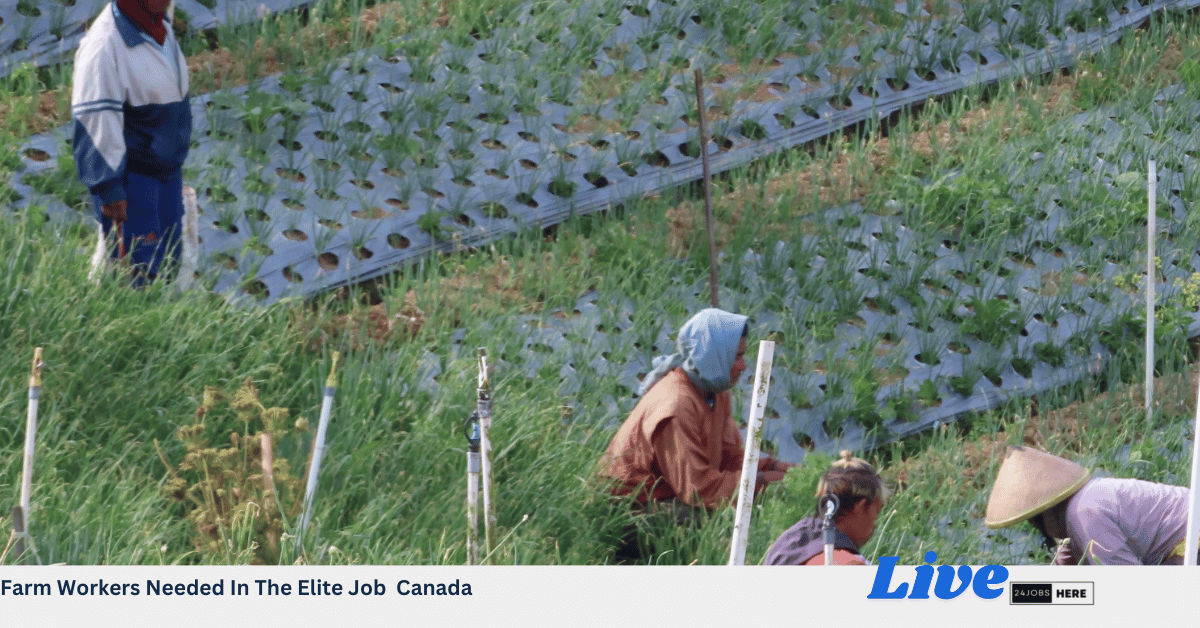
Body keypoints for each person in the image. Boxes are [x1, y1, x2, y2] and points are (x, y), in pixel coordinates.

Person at [600, 308, 792, 560]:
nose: (744, 366)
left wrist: (779, 468)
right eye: (737, 357)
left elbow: (729, 456)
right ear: (712, 357)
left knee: (750, 501)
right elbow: (698, 489)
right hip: (629, 513)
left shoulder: (713, 391)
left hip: (670, 496)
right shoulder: (675, 407)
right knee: (723, 518)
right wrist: (764, 483)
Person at [73, 0, 191, 285]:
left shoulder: (158, 26)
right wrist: (109, 188)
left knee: (169, 260)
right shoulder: (104, 47)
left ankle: (160, 325)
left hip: (166, 171)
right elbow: (94, 119)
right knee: (138, 271)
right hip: (133, 180)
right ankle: (124, 325)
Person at [984, 445, 1196, 565]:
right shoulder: (1077, 511)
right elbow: (1065, 570)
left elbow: (1127, 585)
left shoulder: (1085, 514)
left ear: (1046, 513)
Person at [763, 450, 887, 565]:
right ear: (860, 507)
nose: (875, 525)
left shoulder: (788, 541)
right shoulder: (847, 564)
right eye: (876, 513)